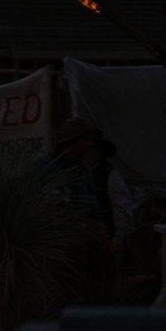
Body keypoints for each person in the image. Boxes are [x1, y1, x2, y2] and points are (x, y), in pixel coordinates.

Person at [54, 117, 135, 304]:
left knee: (105, 279)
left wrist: (118, 235)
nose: (89, 152)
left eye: (93, 149)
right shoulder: (81, 172)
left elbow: (121, 207)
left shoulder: (109, 175)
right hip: (83, 237)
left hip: (103, 236)